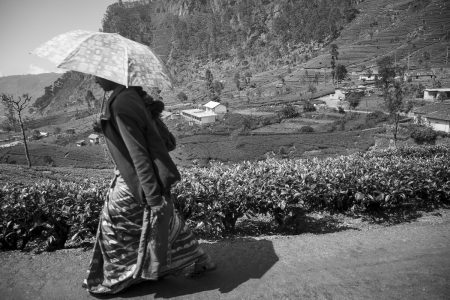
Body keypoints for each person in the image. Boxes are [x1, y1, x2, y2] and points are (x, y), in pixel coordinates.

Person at [82, 76, 216, 294]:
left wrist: (153, 197)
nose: (95, 80)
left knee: (114, 225)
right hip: (145, 178)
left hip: (135, 182)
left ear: (111, 73)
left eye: (97, 75)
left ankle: (118, 278)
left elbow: (138, 155)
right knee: (162, 221)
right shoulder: (129, 96)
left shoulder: (121, 104)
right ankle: (195, 260)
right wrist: (106, 127)